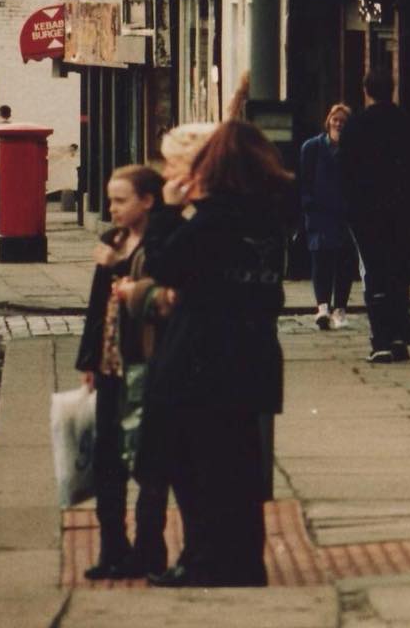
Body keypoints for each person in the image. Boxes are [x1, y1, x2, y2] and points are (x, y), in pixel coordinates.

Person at [130, 120, 288, 588]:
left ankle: (205, 561)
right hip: (252, 358)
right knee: (237, 470)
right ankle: (243, 562)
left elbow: (162, 265)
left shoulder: (215, 217)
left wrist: (169, 213)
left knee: (199, 470)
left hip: (204, 361)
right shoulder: (265, 215)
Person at [75, 163, 172, 580]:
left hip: (144, 365)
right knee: (106, 459)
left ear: (147, 201)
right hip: (111, 363)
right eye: (110, 200)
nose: (112, 208)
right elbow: (98, 305)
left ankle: (149, 551)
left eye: (120, 200)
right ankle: (113, 548)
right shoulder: (111, 240)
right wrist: (89, 360)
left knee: (148, 460)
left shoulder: (162, 243)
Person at [341, 69, 410, 364]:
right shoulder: (406, 123)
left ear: (365, 90)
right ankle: (399, 337)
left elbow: (345, 171)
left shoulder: (356, 125)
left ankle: (381, 340)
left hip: (366, 210)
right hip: (401, 207)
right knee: (399, 270)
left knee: (375, 272)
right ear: (392, 89)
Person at [298, 104, 355, 330]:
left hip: (344, 214)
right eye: (335, 119)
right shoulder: (311, 147)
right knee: (320, 259)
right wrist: (308, 204)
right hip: (320, 212)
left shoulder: (352, 150)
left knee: (344, 261)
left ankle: (340, 309)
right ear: (328, 121)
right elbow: (304, 180)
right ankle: (322, 306)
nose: (338, 124)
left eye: (343, 121)